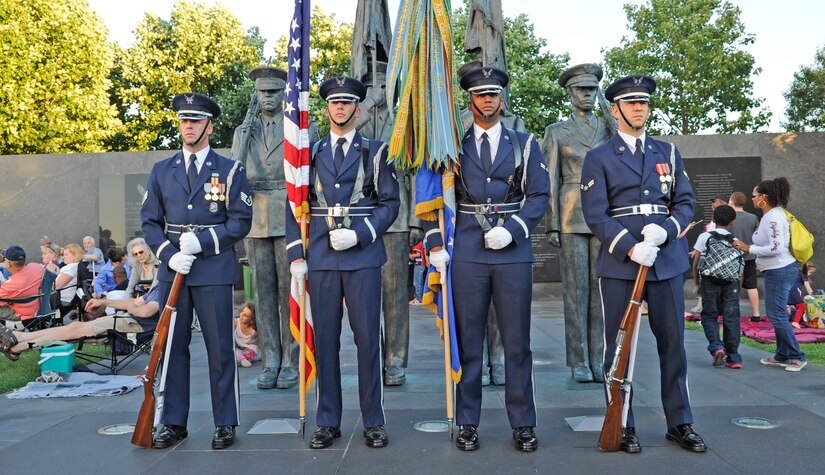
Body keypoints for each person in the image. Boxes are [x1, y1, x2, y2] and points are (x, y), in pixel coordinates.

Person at [426, 66, 549, 453]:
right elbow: (434, 199)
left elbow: (540, 196)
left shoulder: (525, 143)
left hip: (511, 251)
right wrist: (437, 246)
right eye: (481, 94)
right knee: (468, 341)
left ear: (501, 98)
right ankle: (468, 422)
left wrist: (513, 229)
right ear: (470, 100)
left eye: (494, 93)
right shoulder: (451, 146)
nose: (488, 100)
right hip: (467, 252)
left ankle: (523, 423)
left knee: (517, 343)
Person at [580, 75, 706, 453]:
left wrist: (666, 231)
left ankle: (680, 422)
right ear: (615, 109)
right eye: (631, 103)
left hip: (666, 261)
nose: (639, 109)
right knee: (619, 348)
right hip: (622, 264)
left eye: (644, 103)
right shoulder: (598, 157)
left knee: (674, 346)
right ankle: (623, 422)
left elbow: (686, 202)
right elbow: (596, 214)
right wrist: (630, 247)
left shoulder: (667, 153)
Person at [286, 76, 400, 450]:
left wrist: (362, 233)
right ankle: (327, 420)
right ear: (326, 108)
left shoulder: (376, 151)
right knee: (326, 342)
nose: (340, 108)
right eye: (334, 102)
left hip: (362, 256)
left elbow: (390, 204)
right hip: (321, 257)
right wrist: (296, 256)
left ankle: (374, 421)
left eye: (347, 102)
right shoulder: (310, 154)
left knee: (368, 340)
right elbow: (294, 205)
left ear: (358, 109)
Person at [141, 92, 253, 450]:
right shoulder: (162, 171)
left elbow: (240, 221)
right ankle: (173, 422)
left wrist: (203, 243)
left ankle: (225, 422)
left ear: (209, 126)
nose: (188, 126)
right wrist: (169, 254)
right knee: (173, 348)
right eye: (184, 120)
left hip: (214, 269)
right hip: (174, 272)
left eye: (195, 120)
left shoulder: (230, 170)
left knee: (220, 348)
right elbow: (150, 222)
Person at [231, 66, 319, 391]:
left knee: (289, 291)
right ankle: (270, 360)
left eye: (273, 91)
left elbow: (313, 172)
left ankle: (292, 359)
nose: (267, 97)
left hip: (289, 213)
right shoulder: (244, 131)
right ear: (255, 94)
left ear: (284, 92)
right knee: (263, 294)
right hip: (256, 218)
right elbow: (235, 173)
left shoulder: (298, 126)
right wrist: (245, 130)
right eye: (262, 92)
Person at [542, 63, 612, 383]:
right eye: (581, 90)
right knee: (575, 291)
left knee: (599, 291)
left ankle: (598, 358)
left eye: (592, 90)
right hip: (570, 215)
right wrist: (552, 224)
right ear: (569, 93)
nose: (587, 95)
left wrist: (612, 116)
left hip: (603, 214)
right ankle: (579, 360)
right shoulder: (556, 131)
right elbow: (551, 180)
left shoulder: (607, 128)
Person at [356, 61, 420, 386]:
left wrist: (416, 222)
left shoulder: (404, 122)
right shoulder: (358, 119)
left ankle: (396, 359)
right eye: (371, 85)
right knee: (366, 296)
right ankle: (372, 357)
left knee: (395, 295)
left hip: (396, 220)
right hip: (362, 221)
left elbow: (414, 174)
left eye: (384, 84)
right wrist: (366, 106)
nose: (378, 91)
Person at [733, 177, 807, 372]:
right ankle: (782, 355)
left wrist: (749, 248)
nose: (752, 199)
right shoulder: (772, 215)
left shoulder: (773, 216)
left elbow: (776, 247)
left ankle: (797, 356)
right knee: (777, 314)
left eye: (755, 196)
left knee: (777, 314)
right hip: (776, 269)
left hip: (780, 269)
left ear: (764, 198)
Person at [0, 283, 162, 361]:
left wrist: (133, 308)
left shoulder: (165, 288)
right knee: (74, 327)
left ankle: (19, 341)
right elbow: (134, 302)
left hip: (136, 326)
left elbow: (144, 311)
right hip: (129, 320)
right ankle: (19, 341)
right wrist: (104, 302)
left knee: (74, 331)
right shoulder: (160, 285)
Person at [692, 205, 743, 369]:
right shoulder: (735, 241)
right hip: (731, 283)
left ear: (713, 220)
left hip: (710, 281)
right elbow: (739, 266)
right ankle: (734, 357)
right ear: (733, 222)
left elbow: (696, 262)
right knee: (732, 318)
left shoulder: (704, 237)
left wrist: (697, 283)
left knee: (709, 316)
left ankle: (717, 347)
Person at [728, 191, 761, 321]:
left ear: (732, 201)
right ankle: (756, 314)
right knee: (752, 285)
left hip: (732, 257)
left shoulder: (729, 217)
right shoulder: (752, 217)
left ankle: (733, 313)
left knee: (732, 285)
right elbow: (758, 236)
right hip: (749, 256)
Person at [0, 246, 44, 322]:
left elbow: (2, 302)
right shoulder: (36, 267)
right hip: (39, 307)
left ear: (9, 263)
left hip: (22, 314)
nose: (3, 261)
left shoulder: (10, 285)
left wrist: (4, 285)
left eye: (5, 260)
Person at [55, 243, 83, 308]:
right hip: (69, 298)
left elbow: (57, 286)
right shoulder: (77, 266)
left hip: (63, 300)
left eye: (66, 255)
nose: (63, 257)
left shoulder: (70, 268)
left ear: (75, 255)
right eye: (63, 255)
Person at [234, 302, 260, 368]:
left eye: (245, 315)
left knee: (250, 352)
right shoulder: (237, 322)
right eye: (242, 312)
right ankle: (240, 359)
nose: (241, 315)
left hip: (250, 348)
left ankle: (241, 359)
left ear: (251, 320)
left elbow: (262, 342)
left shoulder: (253, 330)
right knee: (231, 351)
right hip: (238, 346)